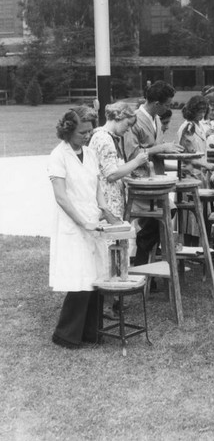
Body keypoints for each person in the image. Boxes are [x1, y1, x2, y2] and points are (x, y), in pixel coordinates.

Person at [48, 106, 118, 349]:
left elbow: (97, 185)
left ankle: (91, 332)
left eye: (89, 131)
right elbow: (61, 197)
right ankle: (66, 335)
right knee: (80, 279)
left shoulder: (89, 153)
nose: (87, 136)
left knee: (95, 277)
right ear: (67, 131)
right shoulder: (58, 156)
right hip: (73, 224)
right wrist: (82, 222)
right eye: (82, 132)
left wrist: (105, 210)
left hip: (93, 222)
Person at [89, 101, 149, 318]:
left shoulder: (109, 138)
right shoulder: (104, 139)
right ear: (118, 117)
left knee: (114, 249)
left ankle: (112, 300)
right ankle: (105, 304)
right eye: (127, 123)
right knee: (107, 251)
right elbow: (111, 174)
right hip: (107, 202)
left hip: (114, 199)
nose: (128, 129)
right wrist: (138, 161)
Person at [124, 80, 184, 266]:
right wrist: (161, 147)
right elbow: (132, 155)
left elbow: (155, 147)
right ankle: (144, 262)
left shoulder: (156, 119)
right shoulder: (134, 120)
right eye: (166, 104)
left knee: (163, 217)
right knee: (164, 215)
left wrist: (169, 149)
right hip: (140, 181)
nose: (168, 108)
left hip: (157, 179)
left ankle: (146, 266)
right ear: (156, 103)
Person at [177, 95, 214, 245]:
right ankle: (190, 248)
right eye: (199, 111)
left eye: (203, 111)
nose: (202, 114)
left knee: (200, 213)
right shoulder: (187, 127)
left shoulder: (198, 126)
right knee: (190, 217)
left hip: (200, 176)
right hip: (190, 175)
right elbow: (185, 155)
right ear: (192, 110)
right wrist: (206, 165)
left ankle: (199, 247)